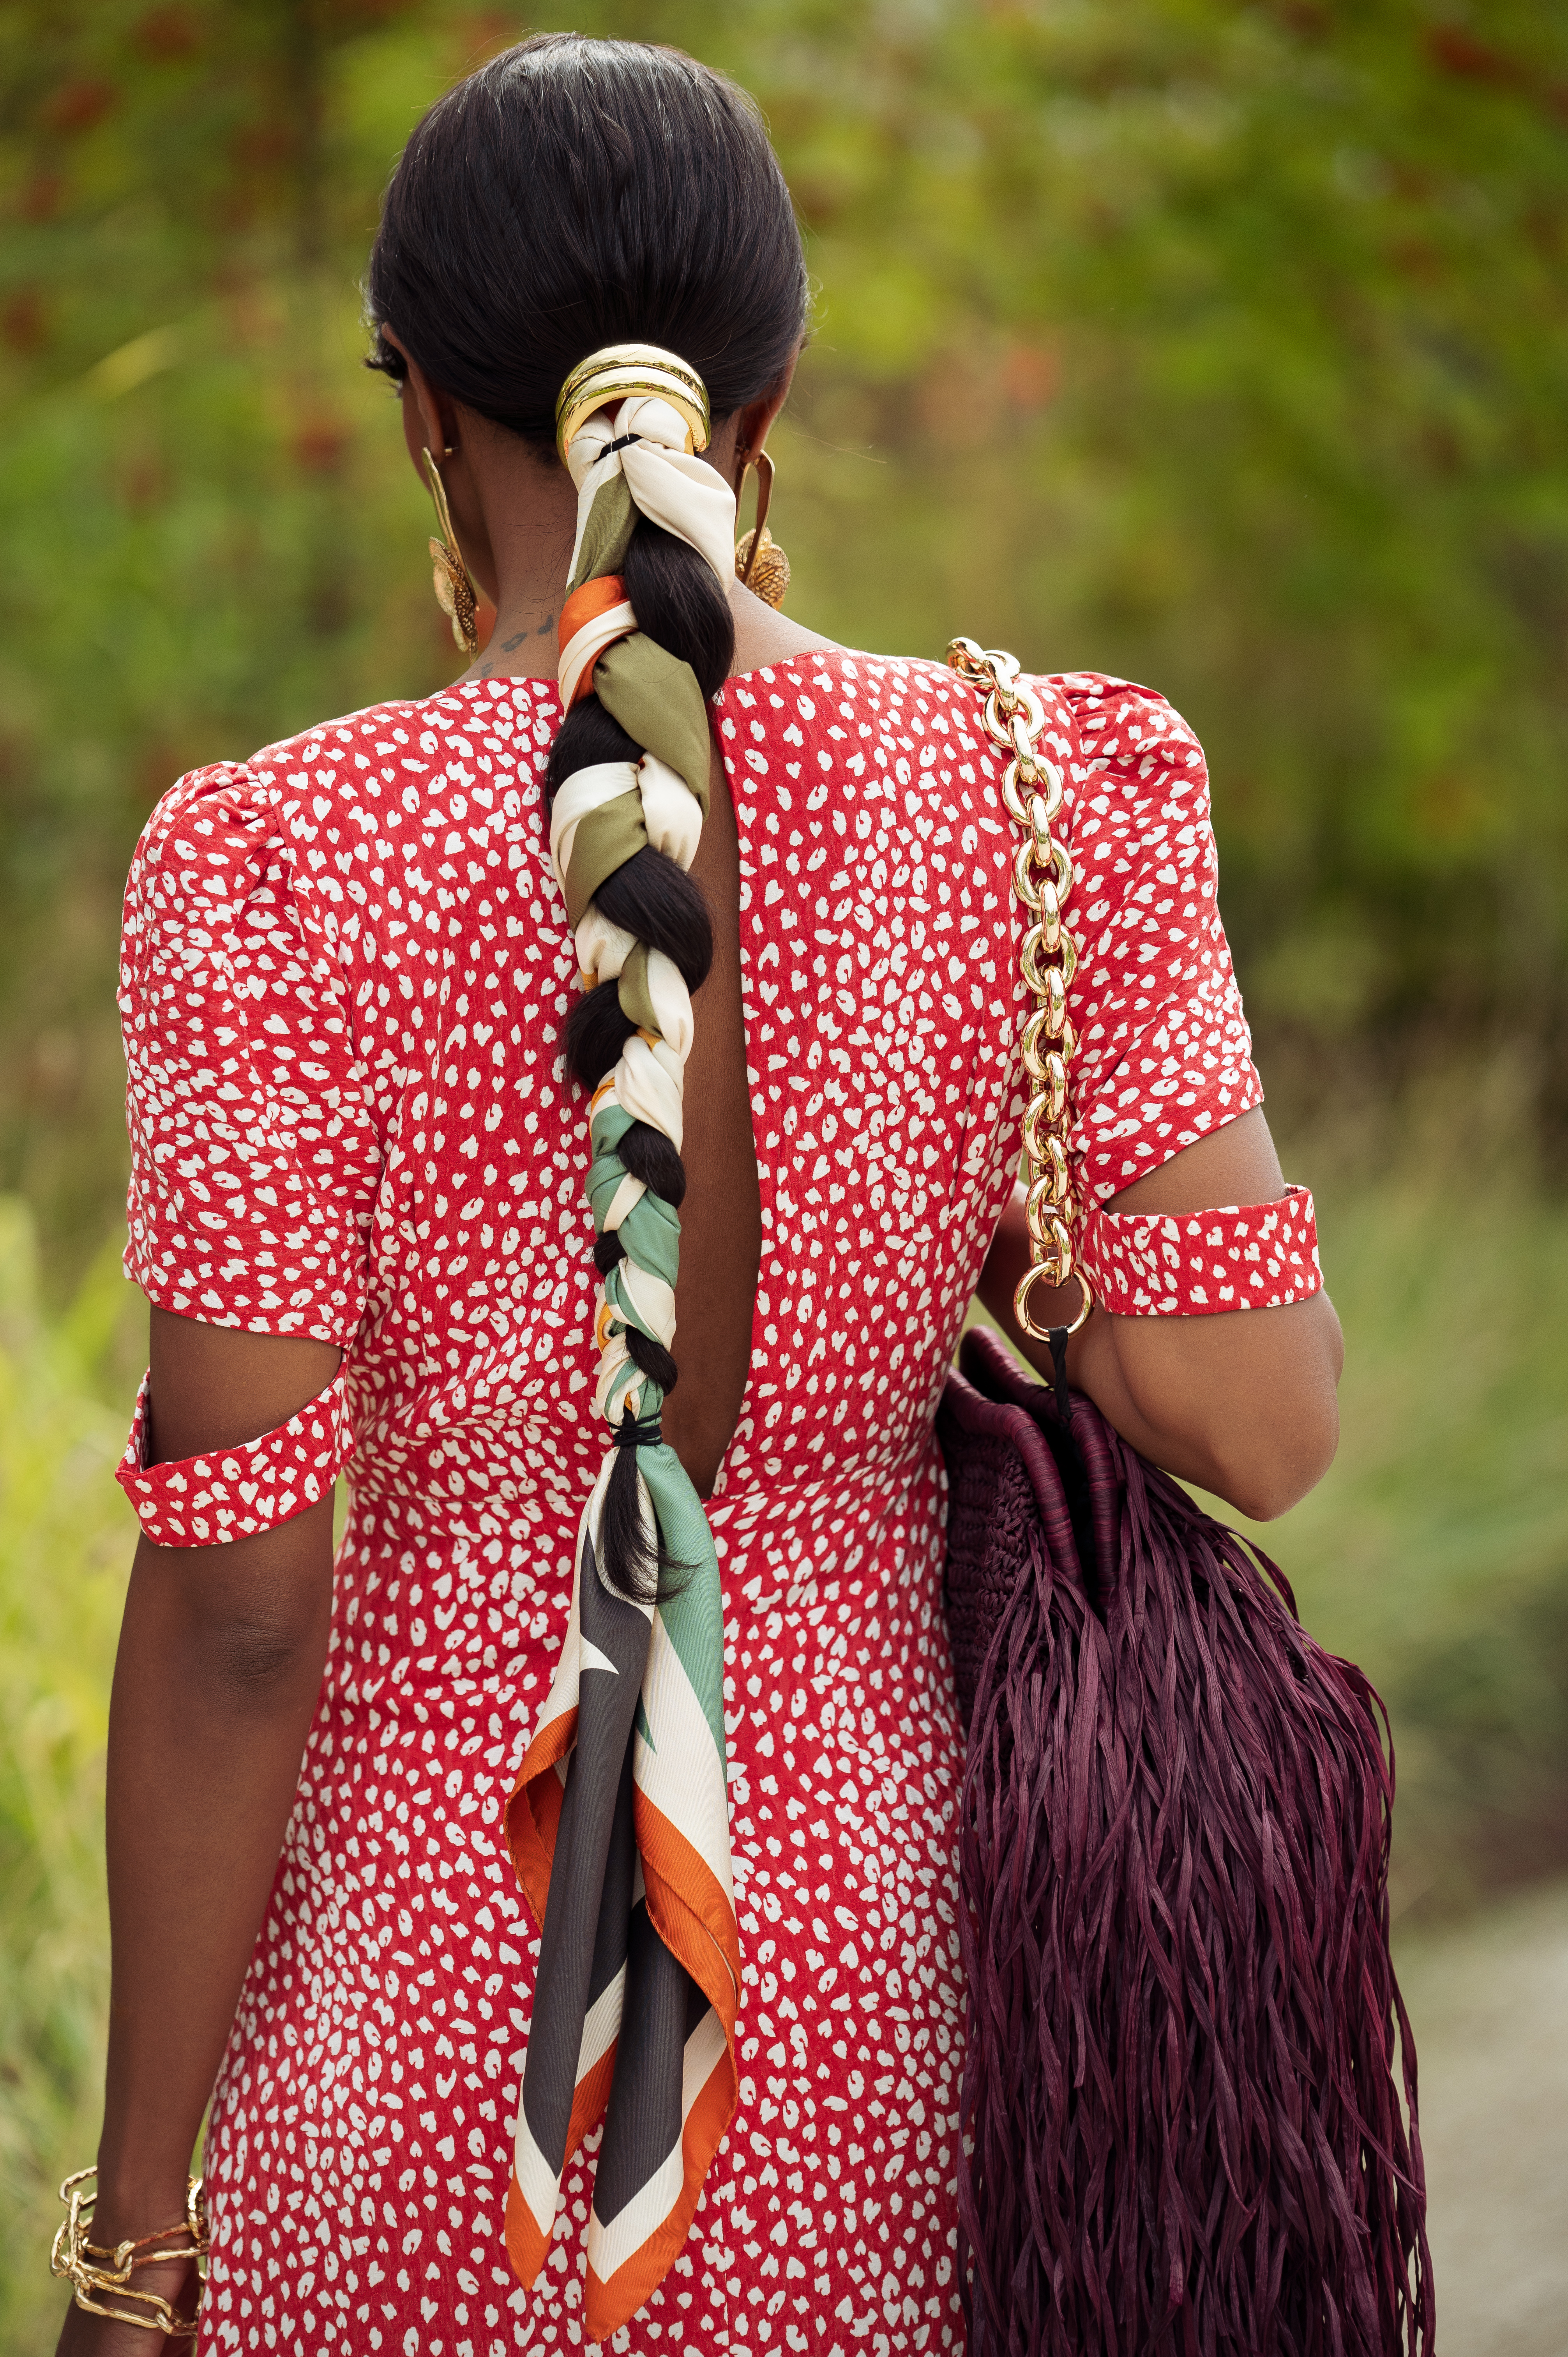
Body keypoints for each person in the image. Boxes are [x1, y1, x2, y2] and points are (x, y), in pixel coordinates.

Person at [57, 32, 1342, 2357]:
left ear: (424, 413)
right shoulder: (1056, 795)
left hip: (419, 2048)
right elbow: (1257, 1424)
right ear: (768, 406)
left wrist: (136, 2241)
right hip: (890, 2008)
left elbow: (241, 1617)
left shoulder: (268, 869)